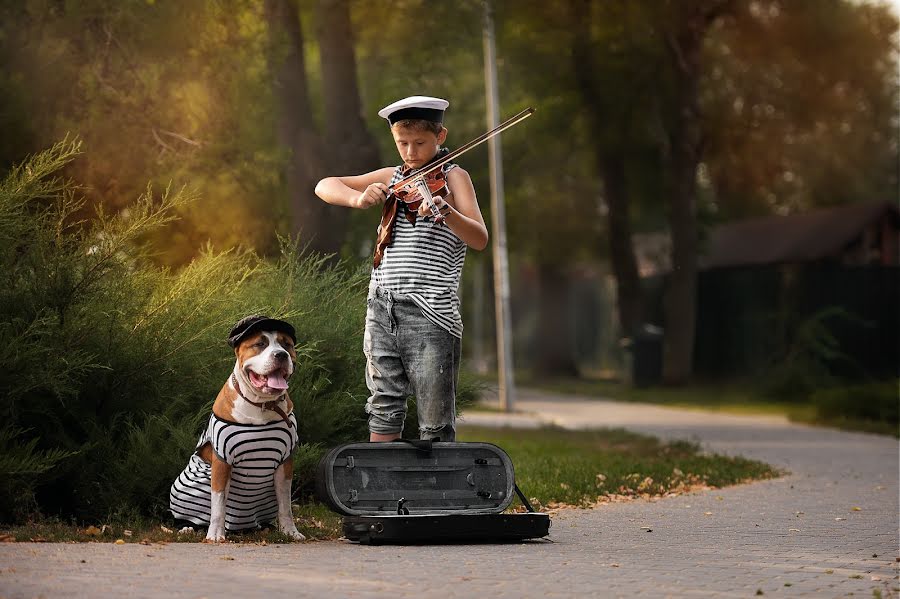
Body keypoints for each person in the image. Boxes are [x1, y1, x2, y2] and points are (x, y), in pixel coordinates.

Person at [315, 95, 488, 442]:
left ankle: (435, 491)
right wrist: (357, 198)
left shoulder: (455, 178)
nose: (410, 153)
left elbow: (480, 237)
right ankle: (385, 486)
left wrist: (447, 211)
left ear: (440, 137)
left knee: (434, 412)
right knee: (383, 401)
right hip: (382, 306)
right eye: (402, 143)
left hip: (431, 311)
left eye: (420, 143)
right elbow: (325, 185)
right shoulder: (392, 176)